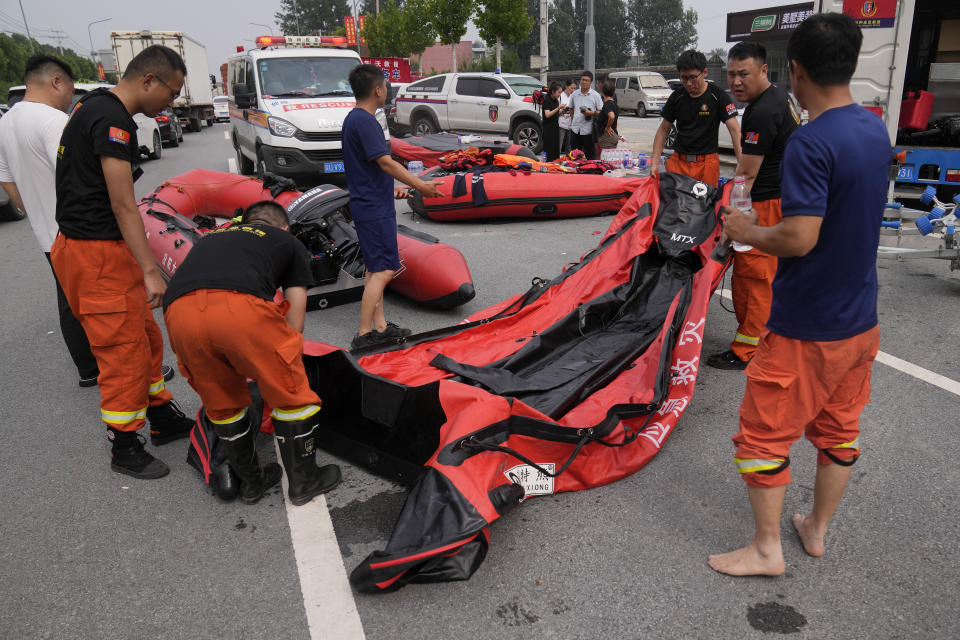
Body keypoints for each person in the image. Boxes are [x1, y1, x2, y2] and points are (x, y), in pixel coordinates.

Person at [708, 12, 889, 576]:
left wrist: (746, 233)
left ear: (795, 69)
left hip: (807, 327)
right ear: (852, 64)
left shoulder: (812, 141)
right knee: (838, 431)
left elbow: (799, 236)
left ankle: (766, 550)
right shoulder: (873, 130)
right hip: (860, 323)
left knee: (762, 436)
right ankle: (816, 528)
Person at [51, 45, 195, 479]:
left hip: (103, 250)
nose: (172, 102)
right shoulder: (112, 119)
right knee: (122, 352)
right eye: (172, 92)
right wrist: (152, 269)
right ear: (148, 80)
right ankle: (124, 445)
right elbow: (123, 203)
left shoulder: (91, 107)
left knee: (147, 339)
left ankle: (161, 417)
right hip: (95, 254)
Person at [0, 55, 175, 390]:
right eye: (68, 89)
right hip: (90, 239)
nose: (69, 98)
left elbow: (8, 181)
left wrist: (40, 213)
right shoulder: (54, 121)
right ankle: (120, 405)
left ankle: (89, 369)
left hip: (54, 235)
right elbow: (106, 191)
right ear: (57, 82)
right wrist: (149, 267)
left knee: (74, 306)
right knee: (117, 327)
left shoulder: (6, 122)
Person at [163, 201, 341, 505]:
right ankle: (304, 483)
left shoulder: (212, 238)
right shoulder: (288, 241)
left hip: (179, 314)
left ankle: (252, 483)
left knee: (223, 403)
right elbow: (295, 321)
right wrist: (278, 363)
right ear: (283, 226)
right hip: (238, 308)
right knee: (292, 395)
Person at [706, 42, 800, 370]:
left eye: (743, 74)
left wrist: (724, 212)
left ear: (763, 70)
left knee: (753, 277)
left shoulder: (761, 112)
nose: (735, 82)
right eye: (731, 75)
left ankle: (748, 350)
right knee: (765, 277)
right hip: (780, 198)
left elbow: (746, 173)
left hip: (765, 204)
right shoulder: (780, 95)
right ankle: (764, 338)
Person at [341, 63, 441, 350]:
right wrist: (421, 185)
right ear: (377, 90)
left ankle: (380, 326)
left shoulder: (353, 119)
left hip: (370, 202)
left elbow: (368, 168)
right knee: (384, 270)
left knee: (375, 269)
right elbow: (385, 162)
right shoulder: (365, 121)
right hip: (373, 208)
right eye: (385, 86)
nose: (387, 91)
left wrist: (394, 188)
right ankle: (363, 334)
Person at [652, 50, 742, 185]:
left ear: (704, 72)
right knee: (675, 203)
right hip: (678, 162)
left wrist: (742, 164)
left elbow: (735, 131)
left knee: (706, 203)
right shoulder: (677, 96)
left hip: (707, 164)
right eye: (684, 78)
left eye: (693, 77)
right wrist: (654, 163)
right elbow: (663, 130)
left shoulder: (717, 95)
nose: (688, 83)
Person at [568, 70, 603, 159]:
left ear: (591, 82)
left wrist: (590, 113)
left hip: (588, 130)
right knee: (575, 155)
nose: (584, 82)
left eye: (586, 80)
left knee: (590, 155)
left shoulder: (595, 95)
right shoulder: (575, 94)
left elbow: (601, 112)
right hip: (575, 129)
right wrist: (573, 120)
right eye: (582, 80)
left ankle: (590, 172)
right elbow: (571, 108)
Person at [540, 82, 563, 161]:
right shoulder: (547, 100)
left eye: (560, 92)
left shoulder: (556, 101)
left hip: (555, 126)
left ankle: (555, 162)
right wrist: (558, 108)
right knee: (547, 147)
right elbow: (548, 115)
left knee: (555, 147)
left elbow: (555, 114)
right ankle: (544, 162)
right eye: (558, 92)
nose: (559, 94)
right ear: (553, 91)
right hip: (548, 127)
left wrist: (563, 112)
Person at [597, 79, 620, 151]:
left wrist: (607, 127)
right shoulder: (614, 104)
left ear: (602, 91)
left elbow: (611, 116)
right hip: (613, 135)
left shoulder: (607, 104)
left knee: (606, 158)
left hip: (607, 136)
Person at [558, 79, 576, 155]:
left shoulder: (573, 96)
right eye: (571, 88)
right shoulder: (560, 96)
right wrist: (563, 111)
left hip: (570, 124)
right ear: (566, 86)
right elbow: (556, 111)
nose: (573, 90)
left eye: (575, 88)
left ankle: (569, 162)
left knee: (569, 147)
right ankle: (556, 161)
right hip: (561, 124)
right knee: (559, 144)